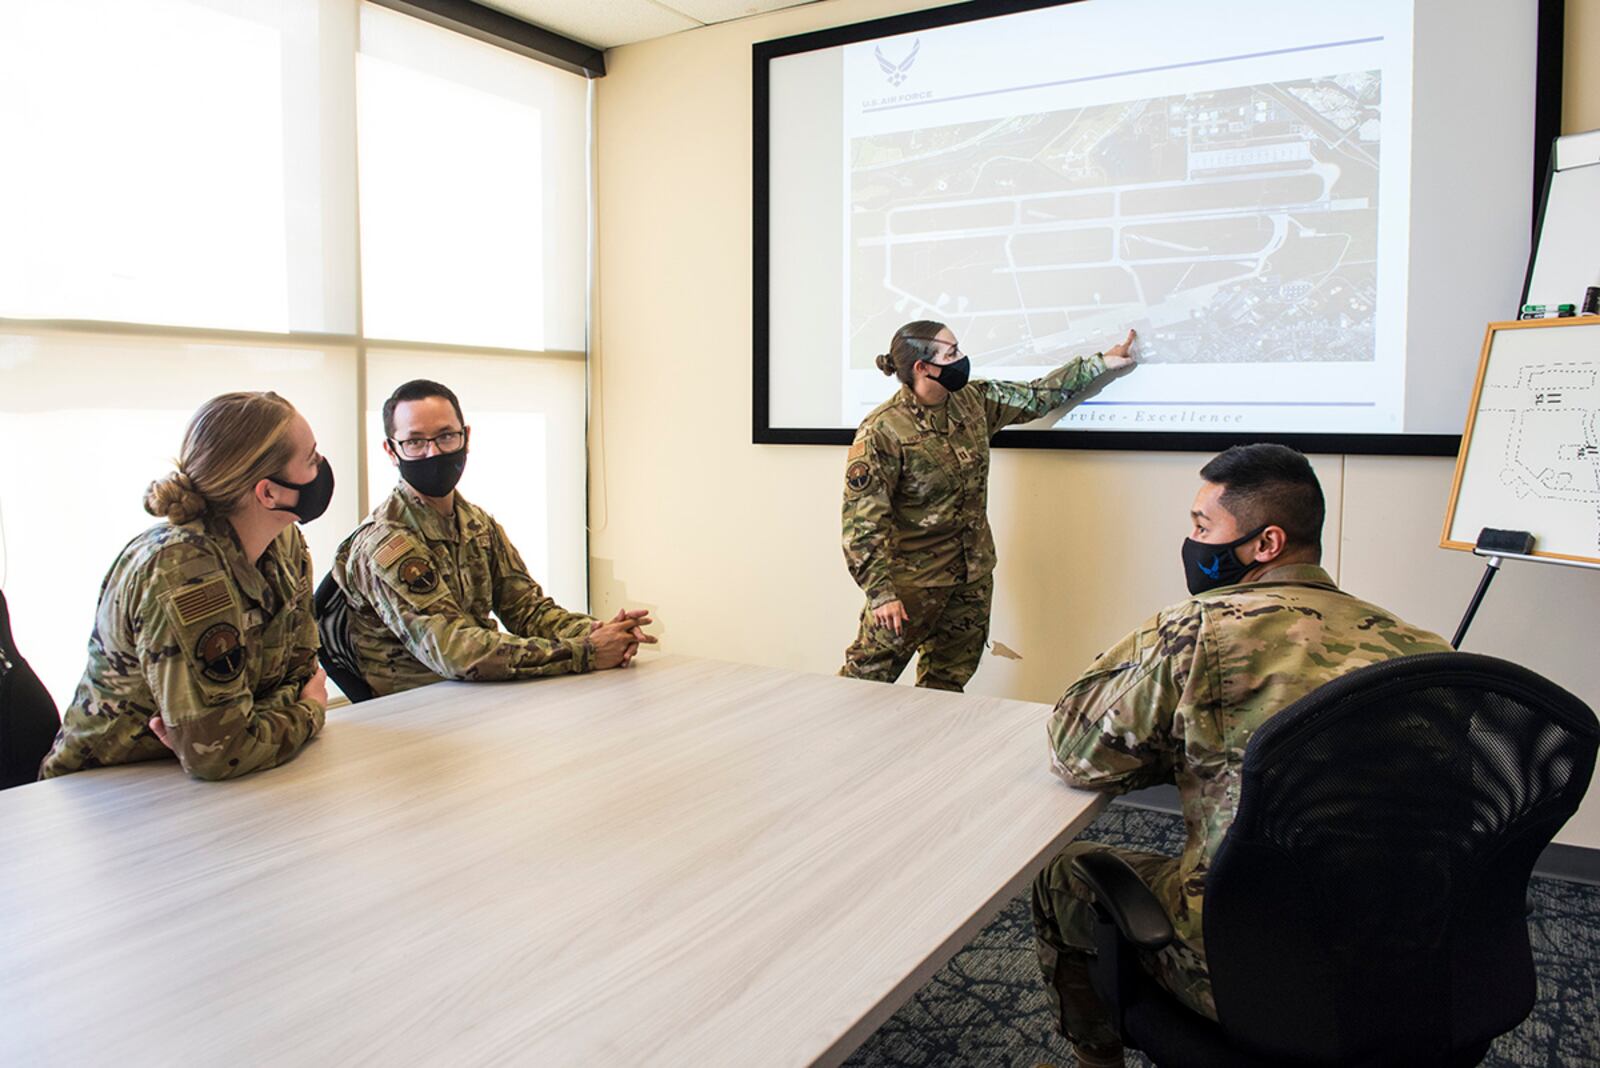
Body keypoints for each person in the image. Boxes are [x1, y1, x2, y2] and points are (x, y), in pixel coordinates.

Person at [1029, 443, 1453, 1068]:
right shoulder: (1424, 650)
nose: (1191, 540)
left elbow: (1078, 755)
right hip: (1414, 954)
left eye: (1203, 526)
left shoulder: (1199, 628)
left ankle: (1097, 1062)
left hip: (1244, 969)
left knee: (1064, 873)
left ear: (1266, 543)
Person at [40, 392, 333, 781]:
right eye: (311, 459)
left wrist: (247, 723)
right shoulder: (182, 570)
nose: (322, 466)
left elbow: (300, 676)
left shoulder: (284, 542)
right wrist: (308, 711)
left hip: (222, 783)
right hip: (108, 791)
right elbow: (220, 754)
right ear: (268, 492)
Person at [838, 321, 1135, 691]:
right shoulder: (883, 430)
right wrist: (881, 593)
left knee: (948, 685)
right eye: (951, 354)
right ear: (922, 368)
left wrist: (1099, 364)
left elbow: (1037, 395)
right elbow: (862, 525)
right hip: (911, 587)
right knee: (863, 684)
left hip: (970, 579)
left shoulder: (974, 401)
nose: (962, 359)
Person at [329, 379, 653, 697]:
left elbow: (527, 610)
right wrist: (586, 651)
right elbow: (456, 651)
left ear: (465, 437)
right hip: (417, 715)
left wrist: (602, 633)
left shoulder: (477, 523)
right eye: (415, 442)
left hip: (482, 699)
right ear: (391, 450)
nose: (433, 452)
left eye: (445, 436)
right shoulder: (386, 543)